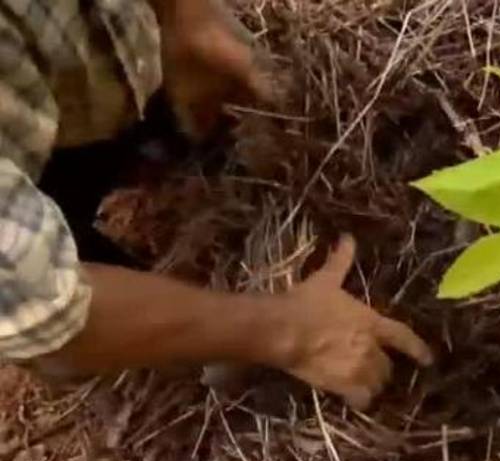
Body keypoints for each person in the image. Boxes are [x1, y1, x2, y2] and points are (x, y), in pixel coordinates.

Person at [0, 0, 434, 410]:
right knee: (73, 298)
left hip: (87, 73)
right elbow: (42, 310)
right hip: (29, 188)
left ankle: (148, 142)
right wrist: (291, 333)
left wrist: (185, 19)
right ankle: (160, 327)